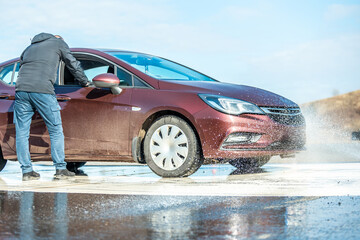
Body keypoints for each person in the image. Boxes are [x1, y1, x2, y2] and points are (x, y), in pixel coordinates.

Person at [14, 32, 90, 181]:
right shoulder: (59, 43)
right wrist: (85, 82)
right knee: (55, 129)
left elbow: (22, 67)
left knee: (22, 133)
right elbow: (72, 64)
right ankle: (61, 168)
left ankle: (27, 172)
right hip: (43, 90)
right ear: (58, 38)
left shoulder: (28, 48)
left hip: (21, 90)